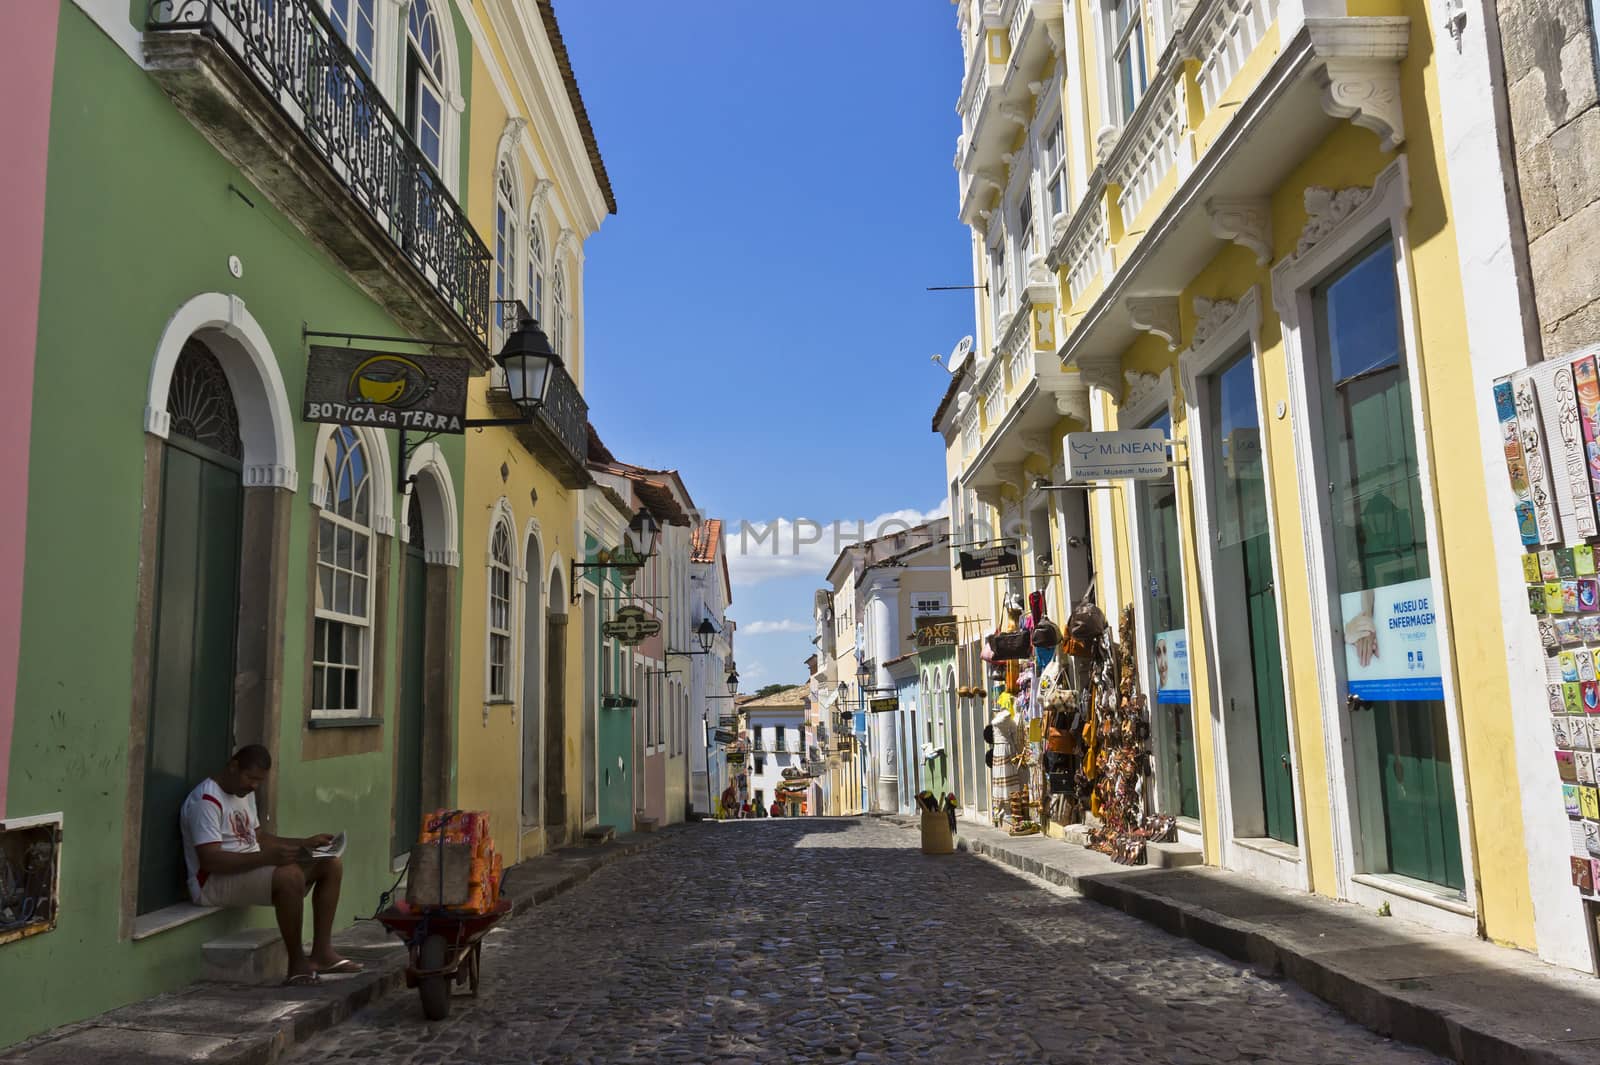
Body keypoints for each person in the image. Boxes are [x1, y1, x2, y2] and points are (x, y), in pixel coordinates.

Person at [180, 745, 361, 986]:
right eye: (250, 778)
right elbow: (211, 860)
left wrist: (304, 844)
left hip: (247, 869)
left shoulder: (244, 794)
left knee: (330, 864)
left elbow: (259, 839)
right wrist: (266, 859)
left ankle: (322, 954)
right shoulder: (206, 801)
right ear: (233, 766)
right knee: (289, 876)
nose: (254, 785)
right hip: (212, 883)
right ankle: (297, 965)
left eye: (259, 781)